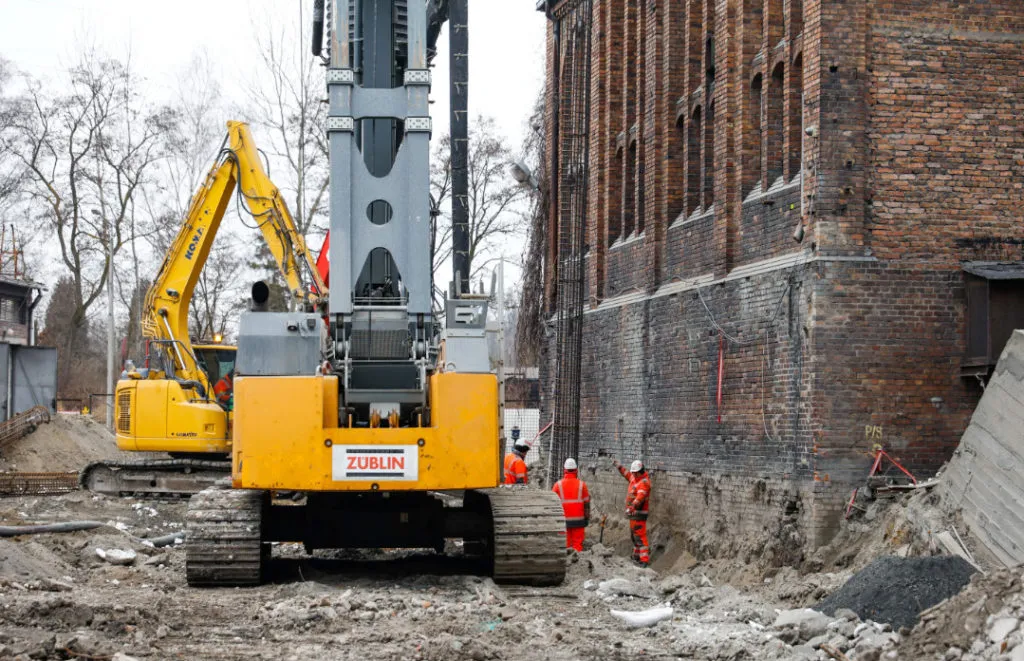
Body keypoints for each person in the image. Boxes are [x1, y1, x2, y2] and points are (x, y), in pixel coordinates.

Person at [613, 458, 651, 566]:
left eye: (634, 472)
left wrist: (633, 506)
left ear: (639, 472)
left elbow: (640, 496)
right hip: (634, 514)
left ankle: (644, 561)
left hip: (639, 514)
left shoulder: (644, 482)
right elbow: (627, 475)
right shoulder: (635, 478)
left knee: (640, 537)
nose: (632, 474)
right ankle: (636, 557)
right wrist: (619, 467)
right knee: (635, 536)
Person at [552, 458, 590, 551]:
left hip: (563, 521)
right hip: (579, 521)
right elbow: (587, 504)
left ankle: (567, 561)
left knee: (566, 544)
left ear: (564, 470)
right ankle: (577, 562)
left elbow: (552, 504)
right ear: (576, 470)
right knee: (577, 544)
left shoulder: (557, 485)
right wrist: (587, 518)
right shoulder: (582, 485)